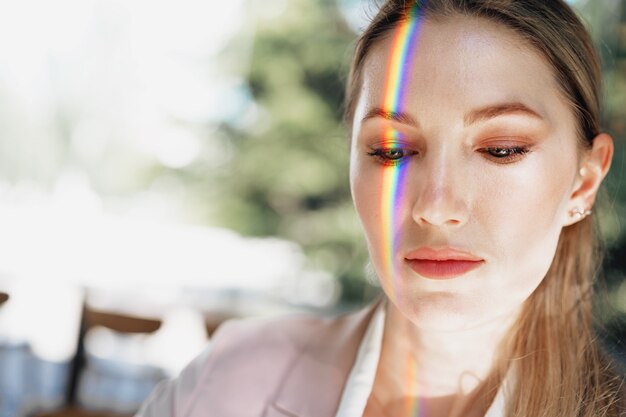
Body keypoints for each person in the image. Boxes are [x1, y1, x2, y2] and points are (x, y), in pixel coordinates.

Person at [136, 0, 624, 416]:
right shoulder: (226, 385)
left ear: (583, 182)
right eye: (391, 151)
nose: (436, 208)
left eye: (502, 149)